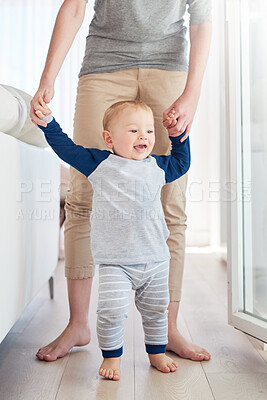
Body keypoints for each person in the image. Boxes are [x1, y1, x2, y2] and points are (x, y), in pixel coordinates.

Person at [30, 0, 212, 362]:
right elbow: (74, 7)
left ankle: (168, 328)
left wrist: (192, 92)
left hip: (170, 67)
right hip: (103, 67)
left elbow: (203, 18)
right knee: (83, 197)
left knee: (170, 204)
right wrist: (47, 77)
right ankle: (78, 324)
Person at [37, 99, 190, 380]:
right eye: (133, 131)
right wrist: (48, 123)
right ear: (109, 138)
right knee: (111, 312)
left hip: (156, 261)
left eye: (148, 131)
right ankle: (112, 357)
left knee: (157, 311)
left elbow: (182, 162)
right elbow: (67, 149)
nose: (143, 136)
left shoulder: (157, 165)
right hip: (116, 263)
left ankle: (156, 353)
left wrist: (178, 135)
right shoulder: (101, 163)